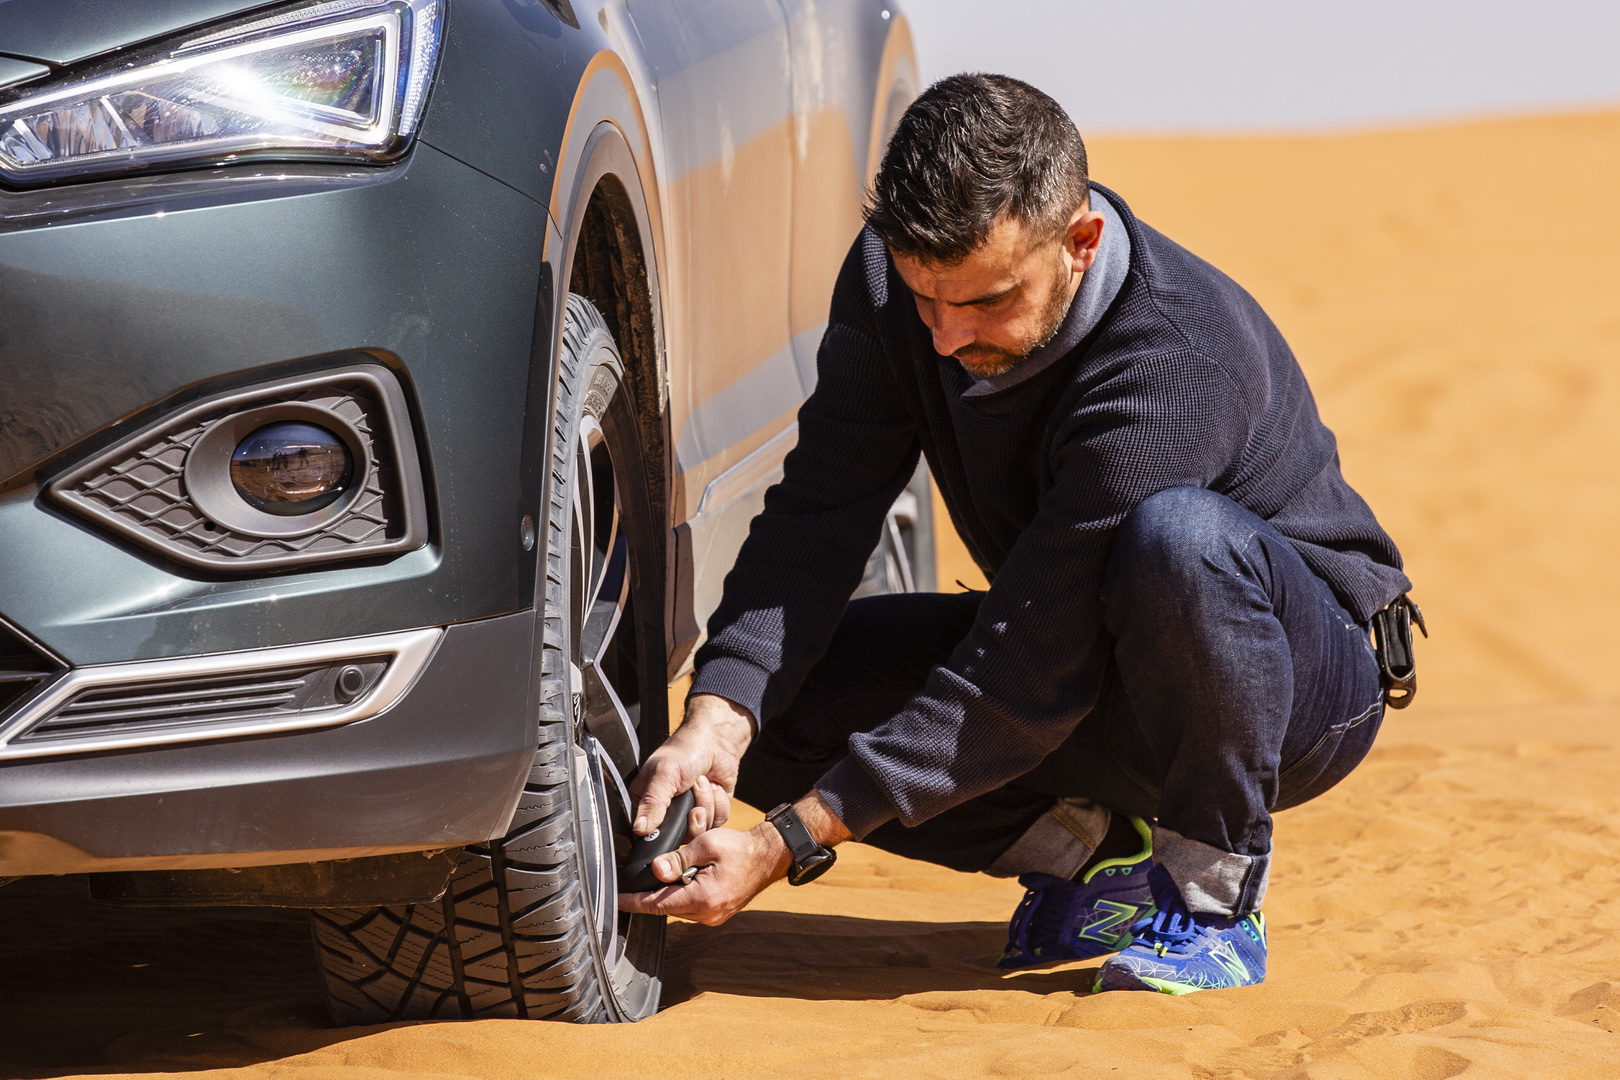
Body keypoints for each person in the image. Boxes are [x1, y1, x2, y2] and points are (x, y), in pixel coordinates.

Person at [620, 73, 1419, 995]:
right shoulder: (889, 281)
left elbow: (1024, 671)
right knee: (774, 704)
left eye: (988, 300)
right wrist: (718, 720)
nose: (947, 337)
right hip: (1082, 654)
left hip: (1292, 686)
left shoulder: (1173, 361)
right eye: (927, 299)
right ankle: (1102, 862)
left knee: (1180, 541)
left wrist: (787, 839)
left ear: (1081, 242)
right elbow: (820, 513)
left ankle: (1213, 903)